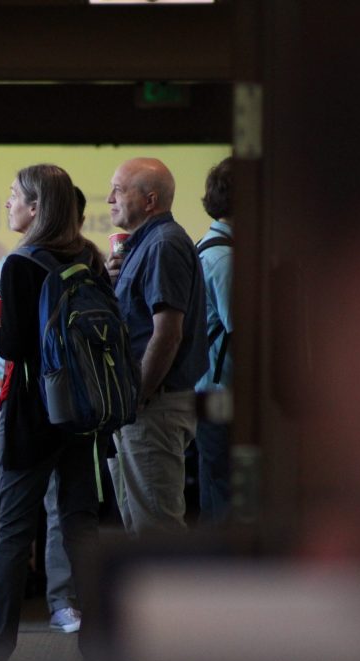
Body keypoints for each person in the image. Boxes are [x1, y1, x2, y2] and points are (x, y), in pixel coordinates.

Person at [0, 165, 103, 661]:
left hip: (32, 413)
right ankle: (96, 653)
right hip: (80, 413)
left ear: (36, 207)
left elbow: (16, 347)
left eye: (14, 198)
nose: (7, 204)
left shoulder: (20, 264)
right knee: (81, 533)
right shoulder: (90, 257)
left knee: (12, 534)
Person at [105, 158, 207, 534]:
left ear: (149, 201)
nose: (109, 198)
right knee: (140, 527)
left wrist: (137, 396)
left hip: (153, 406)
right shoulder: (146, 244)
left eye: (118, 189)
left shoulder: (163, 244)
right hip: (144, 405)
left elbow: (168, 333)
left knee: (157, 532)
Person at [194, 157, 234, 525]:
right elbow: (242, 327)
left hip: (207, 388)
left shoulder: (208, 246)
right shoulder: (225, 257)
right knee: (224, 492)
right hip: (222, 392)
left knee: (214, 483)